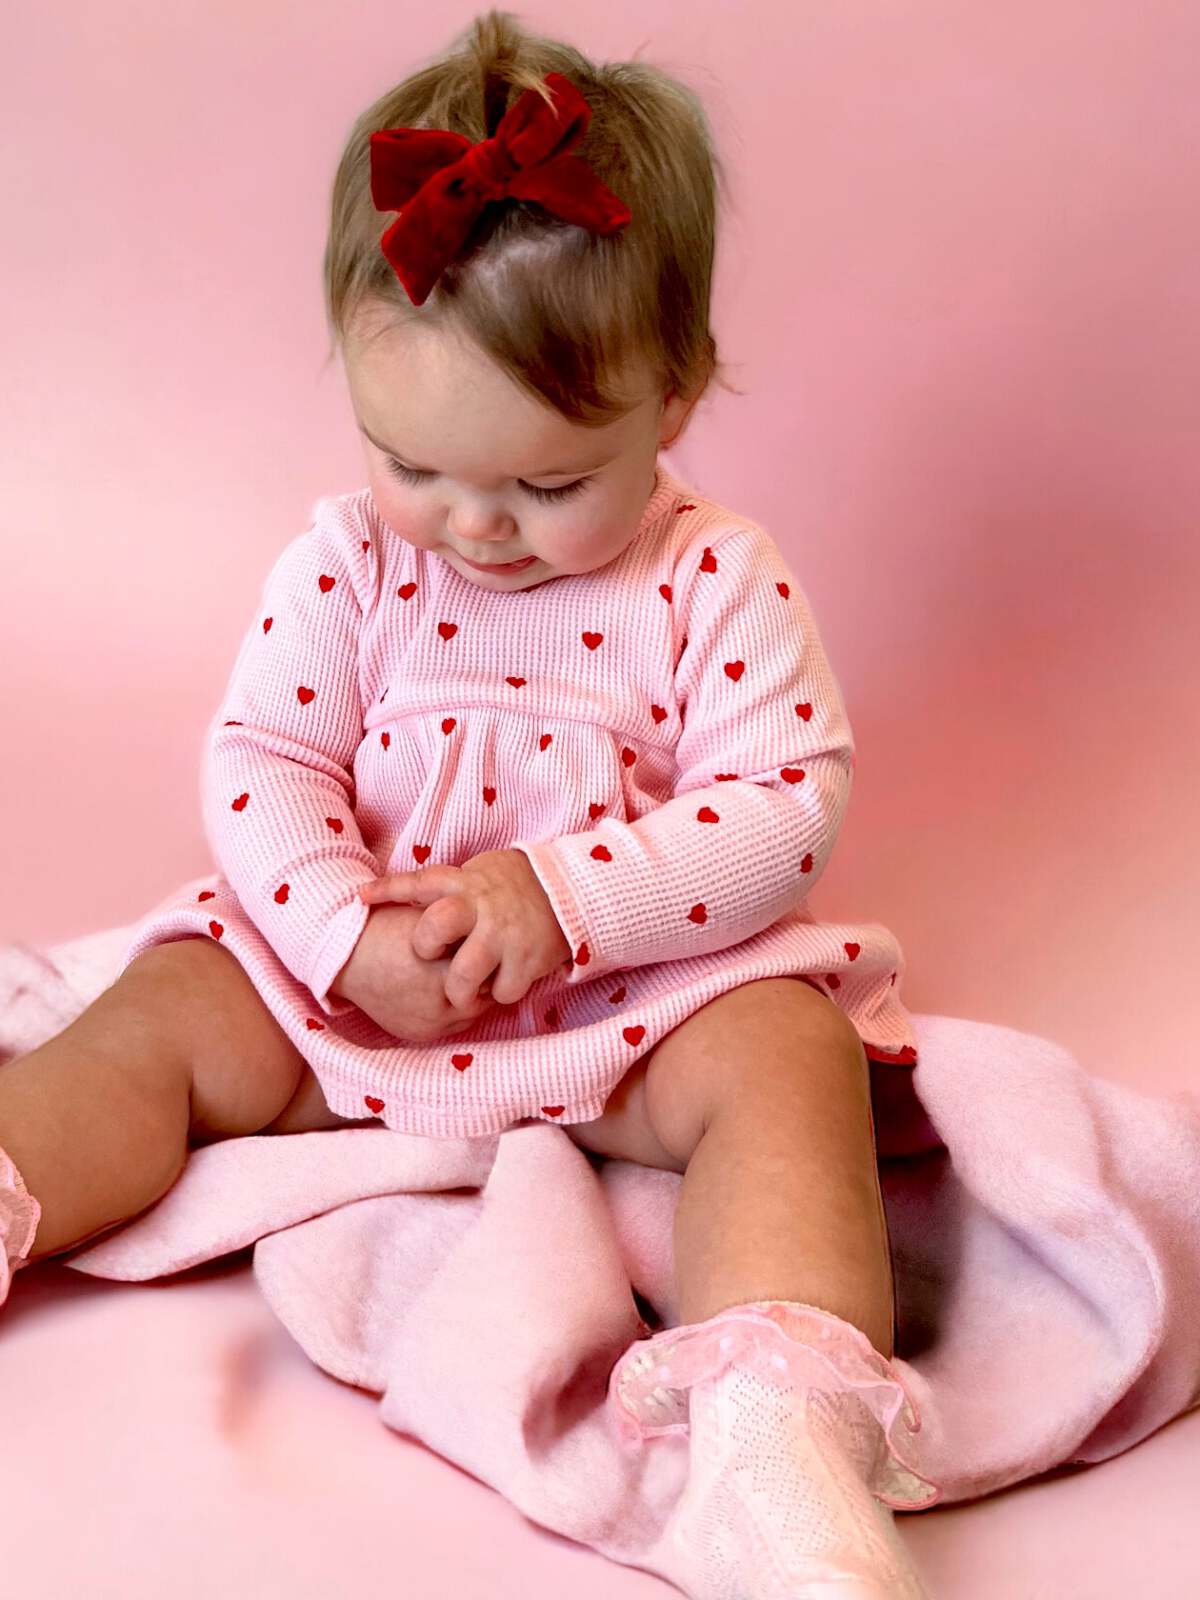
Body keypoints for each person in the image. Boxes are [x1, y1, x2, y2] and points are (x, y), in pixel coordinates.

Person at [0, 11, 939, 1595]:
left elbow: (783, 804)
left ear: (677, 396)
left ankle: (774, 1452)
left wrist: (567, 902)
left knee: (789, 1060)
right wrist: (334, 927)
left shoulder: (712, 578)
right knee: (164, 1012)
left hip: (622, 1017)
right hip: (351, 1000)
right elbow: (264, 764)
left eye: (549, 484)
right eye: (411, 462)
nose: (472, 527)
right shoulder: (352, 563)